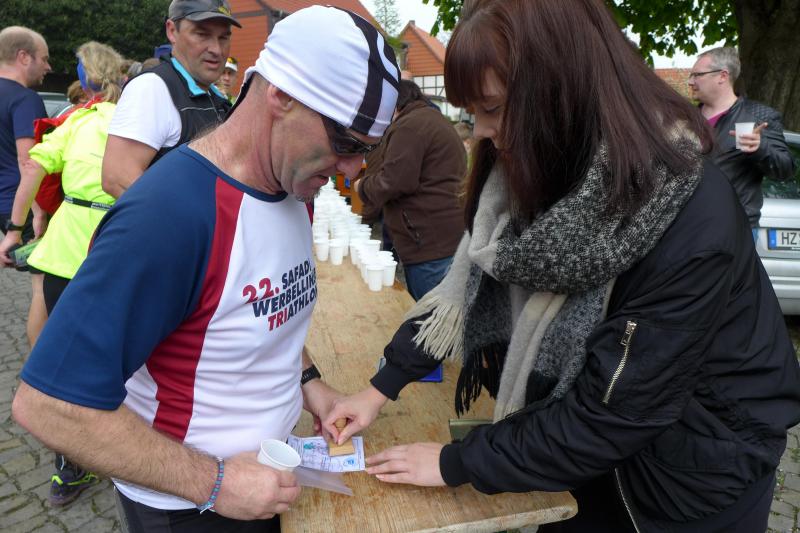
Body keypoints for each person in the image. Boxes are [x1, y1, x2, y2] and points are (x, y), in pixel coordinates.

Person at [324, 1, 800, 531]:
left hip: (684, 481)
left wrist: (456, 463)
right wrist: (379, 388)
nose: (480, 132)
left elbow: (610, 415)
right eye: (472, 111)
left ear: (563, 92)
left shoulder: (688, 219)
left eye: (493, 108)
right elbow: (461, 292)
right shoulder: (530, 172)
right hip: (585, 451)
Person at [12, 6, 399, 532]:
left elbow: (259, 308)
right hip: (189, 506)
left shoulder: (292, 187)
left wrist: (310, 383)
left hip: (264, 480)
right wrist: (214, 482)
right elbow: (47, 404)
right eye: (346, 144)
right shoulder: (170, 213)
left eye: (367, 152)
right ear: (281, 96)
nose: (353, 171)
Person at [0, 40, 124, 506]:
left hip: (66, 249)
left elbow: (32, 166)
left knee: (62, 352)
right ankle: (121, 442)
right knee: (115, 349)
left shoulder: (77, 121)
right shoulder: (133, 122)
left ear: (85, 78)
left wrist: (16, 228)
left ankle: (69, 465)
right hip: (116, 246)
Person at [101, 0, 239, 199]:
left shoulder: (215, 96)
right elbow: (117, 178)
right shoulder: (152, 88)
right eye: (202, 34)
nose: (216, 49)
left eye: (224, 37)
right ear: (172, 31)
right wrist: (190, 217)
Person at [355, 80, 466, 300]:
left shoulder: (409, 126)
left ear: (392, 105)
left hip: (429, 245)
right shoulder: (433, 119)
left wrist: (362, 186)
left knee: (429, 314)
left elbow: (393, 181)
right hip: (447, 239)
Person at [688, 46, 795, 234]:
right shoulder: (685, 118)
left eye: (697, 75)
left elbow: (785, 170)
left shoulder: (759, 116)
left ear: (722, 76)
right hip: (688, 228)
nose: (690, 81)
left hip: (734, 231)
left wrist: (761, 148)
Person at [0, 26, 51, 348]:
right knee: (42, 287)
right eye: (44, 59)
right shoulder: (25, 99)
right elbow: (28, 161)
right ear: (23, 57)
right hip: (21, 205)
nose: (48, 66)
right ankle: (40, 364)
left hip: (4, 203)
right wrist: (37, 214)